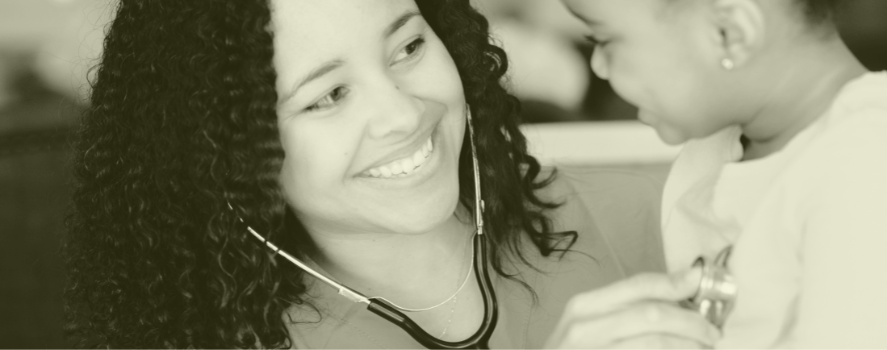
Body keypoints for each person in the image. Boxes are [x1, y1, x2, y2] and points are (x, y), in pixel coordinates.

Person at [64, 0, 719, 348]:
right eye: (328, 96)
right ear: (229, 154)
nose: (402, 114)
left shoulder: (665, 222)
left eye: (408, 48)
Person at [561, 0, 887, 347]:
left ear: (729, 34)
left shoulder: (876, 166)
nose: (598, 66)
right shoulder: (717, 147)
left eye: (605, 39)